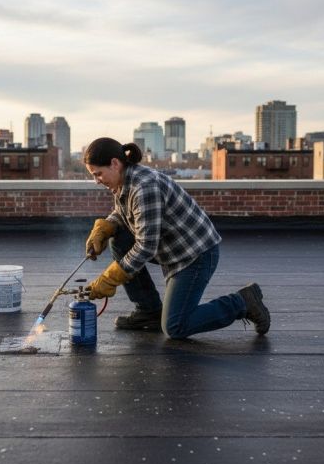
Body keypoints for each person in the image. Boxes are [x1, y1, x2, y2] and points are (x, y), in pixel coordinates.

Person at [83, 137, 270, 339]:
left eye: (98, 174)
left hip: (195, 256)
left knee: (175, 326)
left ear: (114, 163)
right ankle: (149, 312)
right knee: (118, 238)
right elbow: (125, 213)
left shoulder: (144, 187)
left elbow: (146, 247)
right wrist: (106, 226)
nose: (96, 180)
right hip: (173, 249)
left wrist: (109, 279)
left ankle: (243, 302)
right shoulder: (122, 182)